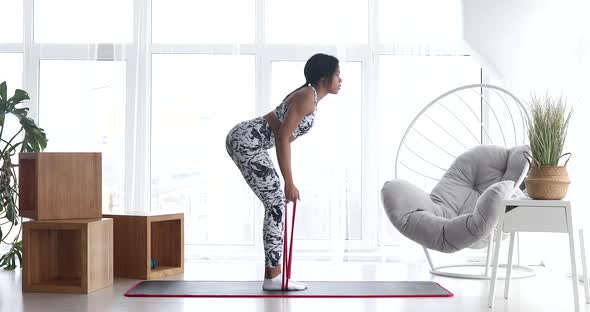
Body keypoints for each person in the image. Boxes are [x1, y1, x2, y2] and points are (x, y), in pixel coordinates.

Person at [225, 53, 342, 291]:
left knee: (275, 202)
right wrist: (289, 182)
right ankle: (274, 277)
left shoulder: (309, 95)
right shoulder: (307, 96)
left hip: (250, 141)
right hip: (247, 140)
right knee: (277, 201)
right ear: (324, 77)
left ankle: (272, 276)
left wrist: (287, 181)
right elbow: (281, 137)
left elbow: (283, 136)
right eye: (338, 74)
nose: (341, 79)